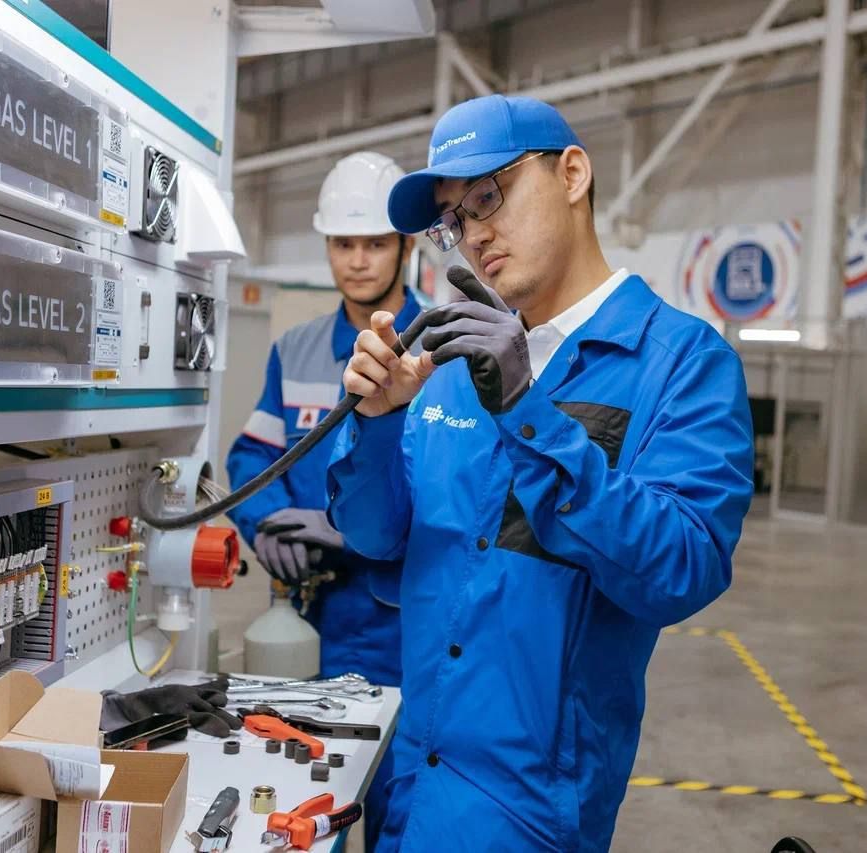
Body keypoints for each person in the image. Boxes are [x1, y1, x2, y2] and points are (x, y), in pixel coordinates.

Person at [328, 95, 755, 851]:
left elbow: (682, 569)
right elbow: (375, 534)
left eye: (488, 195)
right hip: (409, 790)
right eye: (454, 219)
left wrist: (527, 411)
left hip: (529, 820)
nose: (474, 234)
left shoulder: (684, 365)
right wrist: (377, 421)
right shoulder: (454, 371)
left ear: (573, 174)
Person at [224, 150, 420, 850]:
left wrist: (351, 529)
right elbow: (252, 458)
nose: (358, 261)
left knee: (400, 819)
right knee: (304, 815)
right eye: (343, 243)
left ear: (406, 245)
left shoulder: (443, 353)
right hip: (309, 623)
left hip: (406, 630)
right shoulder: (297, 351)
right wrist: (266, 525)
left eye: (375, 243)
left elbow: (460, 494)